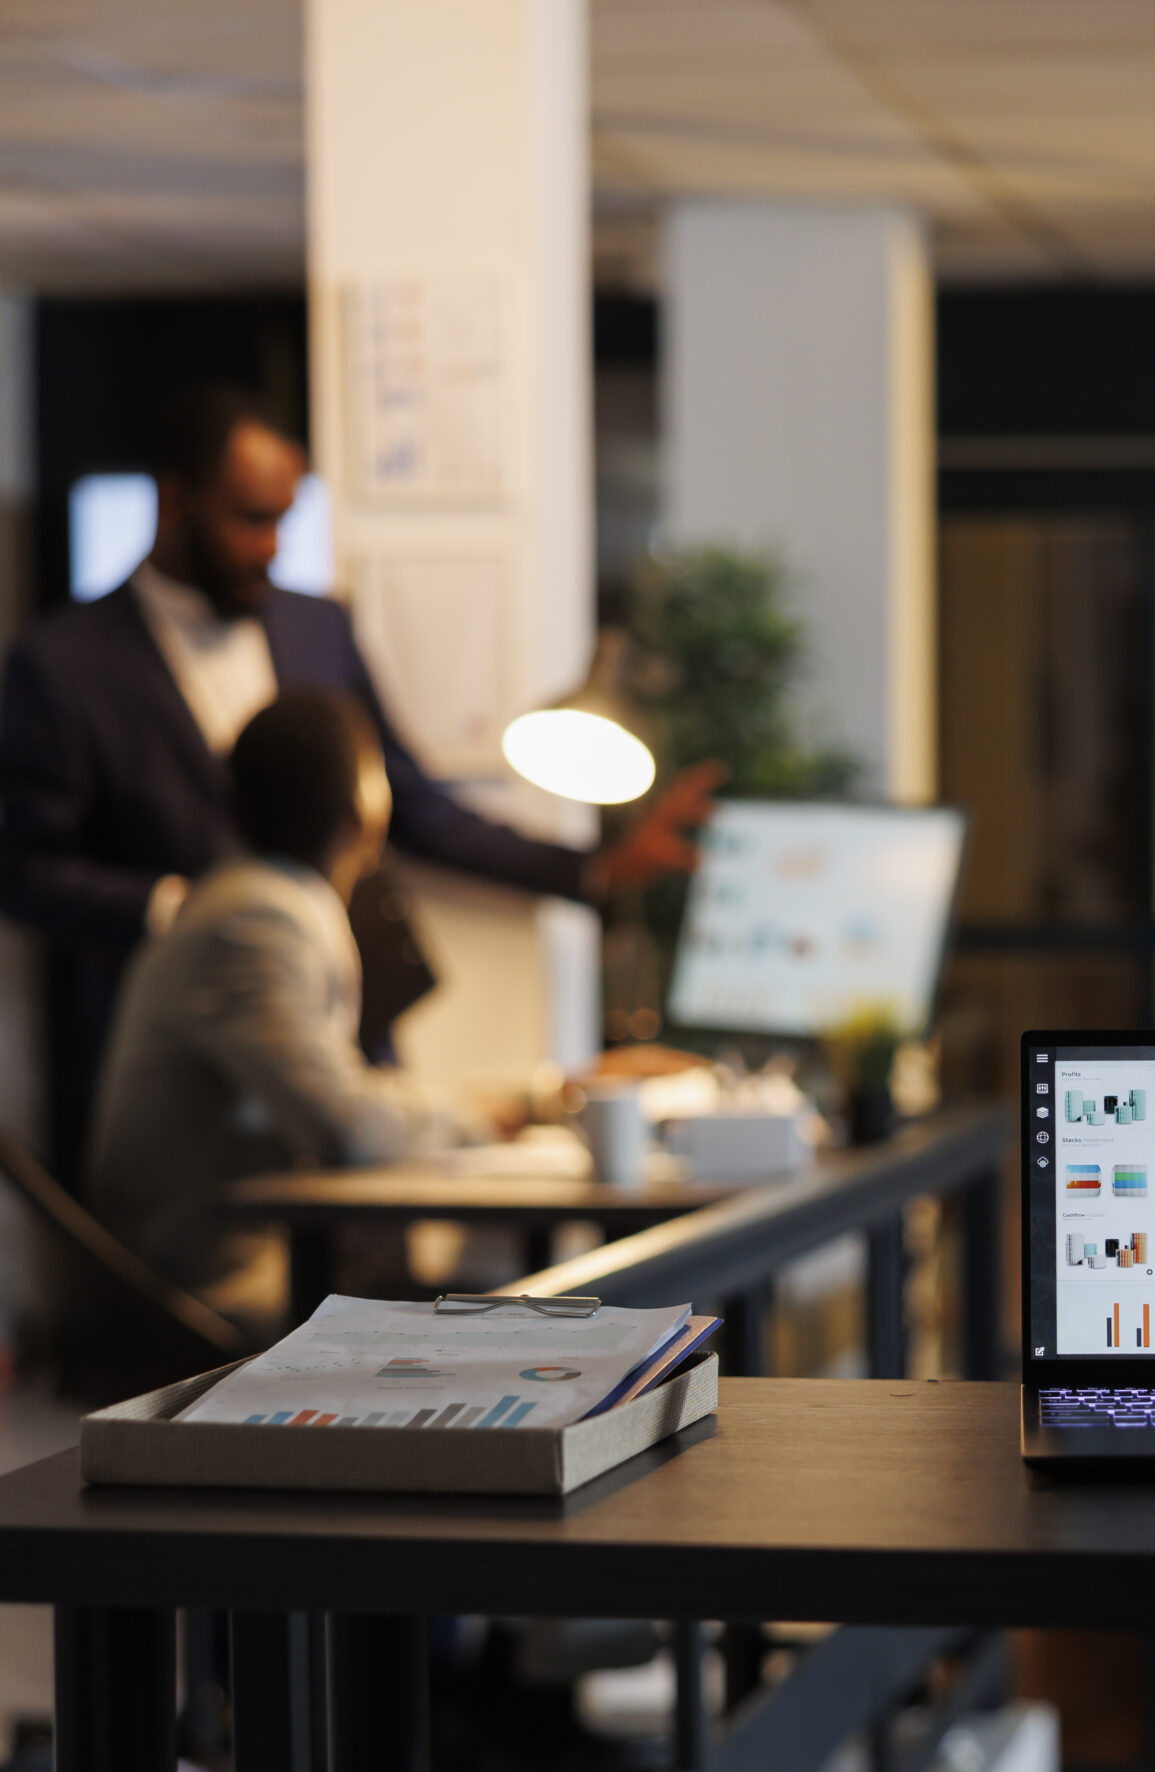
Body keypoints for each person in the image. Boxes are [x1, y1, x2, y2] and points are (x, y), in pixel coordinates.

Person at [0, 380, 712, 1180]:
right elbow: (22, 872)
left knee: (381, 1217)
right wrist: (179, 909)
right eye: (249, 519)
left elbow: (408, 800)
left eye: (284, 518)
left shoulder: (317, 625)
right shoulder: (62, 663)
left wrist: (592, 870)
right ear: (174, 501)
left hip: (339, 1020)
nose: (272, 545)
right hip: (192, 1064)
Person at [87, 688, 491, 1317]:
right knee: (490, 1323)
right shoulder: (257, 917)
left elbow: (341, 1103)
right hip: (196, 1292)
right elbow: (347, 1129)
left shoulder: (251, 900)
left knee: (477, 1311)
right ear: (365, 805)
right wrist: (489, 1116)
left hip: (231, 1261)